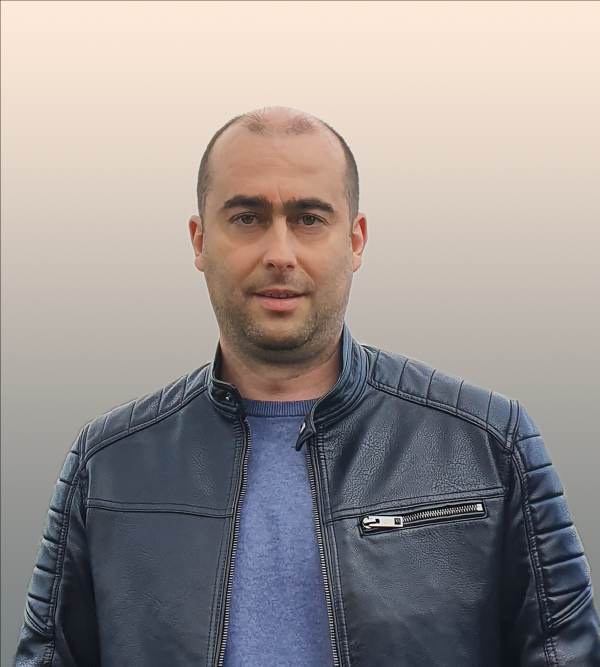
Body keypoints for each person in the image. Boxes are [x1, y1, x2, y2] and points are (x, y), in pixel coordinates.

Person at [13, 105, 600, 666]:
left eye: (309, 219)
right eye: (247, 218)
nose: (280, 253)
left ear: (356, 239)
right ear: (199, 240)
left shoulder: (488, 445)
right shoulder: (108, 466)